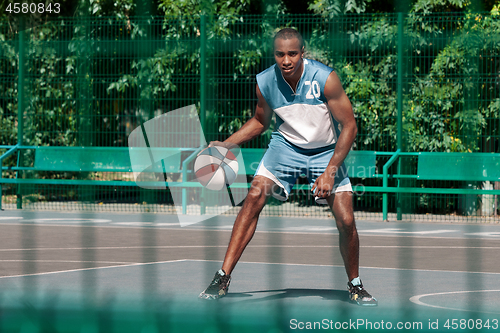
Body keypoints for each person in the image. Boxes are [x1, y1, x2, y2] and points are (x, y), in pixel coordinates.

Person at [198, 28, 377, 306]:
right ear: (274, 55)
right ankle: (222, 277)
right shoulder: (266, 81)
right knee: (254, 196)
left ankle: (355, 284)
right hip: (285, 148)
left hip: (325, 152)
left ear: (302, 53)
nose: (286, 60)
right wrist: (226, 144)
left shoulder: (324, 79)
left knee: (346, 219)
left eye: (292, 53)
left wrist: (330, 171)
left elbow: (350, 125)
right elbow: (260, 121)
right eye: (280, 54)